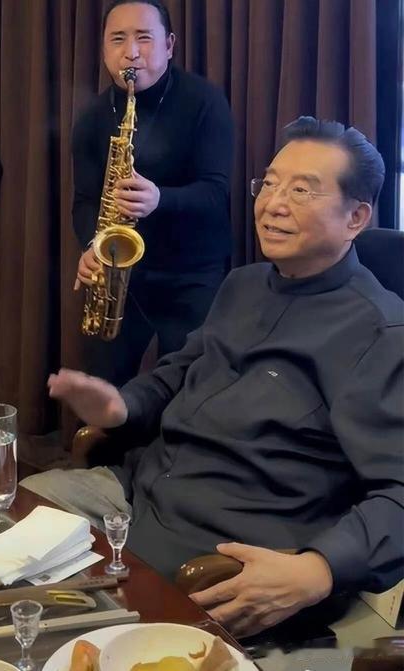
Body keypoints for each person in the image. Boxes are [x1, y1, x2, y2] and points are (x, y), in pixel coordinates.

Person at [23, 117, 404, 636]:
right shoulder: (242, 285)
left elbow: (398, 492)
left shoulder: (380, 333)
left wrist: (319, 569)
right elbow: (178, 372)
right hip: (136, 493)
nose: (273, 204)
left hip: (217, 548)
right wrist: (121, 405)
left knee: (57, 632)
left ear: (356, 216)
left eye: (301, 190)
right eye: (269, 183)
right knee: (2, 525)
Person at [73, 0, 233, 385]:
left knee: (187, 391)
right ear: (103, 49)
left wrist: (161, 198)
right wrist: (93, 246)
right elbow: (84, 201)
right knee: (103, 385)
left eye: (143, 38)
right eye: (118, 39)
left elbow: (216, 194)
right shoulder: (92, 118)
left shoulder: (204, 102)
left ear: (170, 45)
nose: (131, 52)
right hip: (122, 274)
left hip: (192, 274)